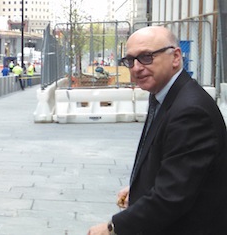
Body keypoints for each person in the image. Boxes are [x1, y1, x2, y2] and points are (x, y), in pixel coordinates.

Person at [88, 26, 227, 235]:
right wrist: (138, 191)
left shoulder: (190, 112)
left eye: (146, 57)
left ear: (176, 57)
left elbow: (172, 197)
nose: (136, 68)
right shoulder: (162, 95)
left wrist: (113, 228)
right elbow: (173, 165)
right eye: (130, 60)